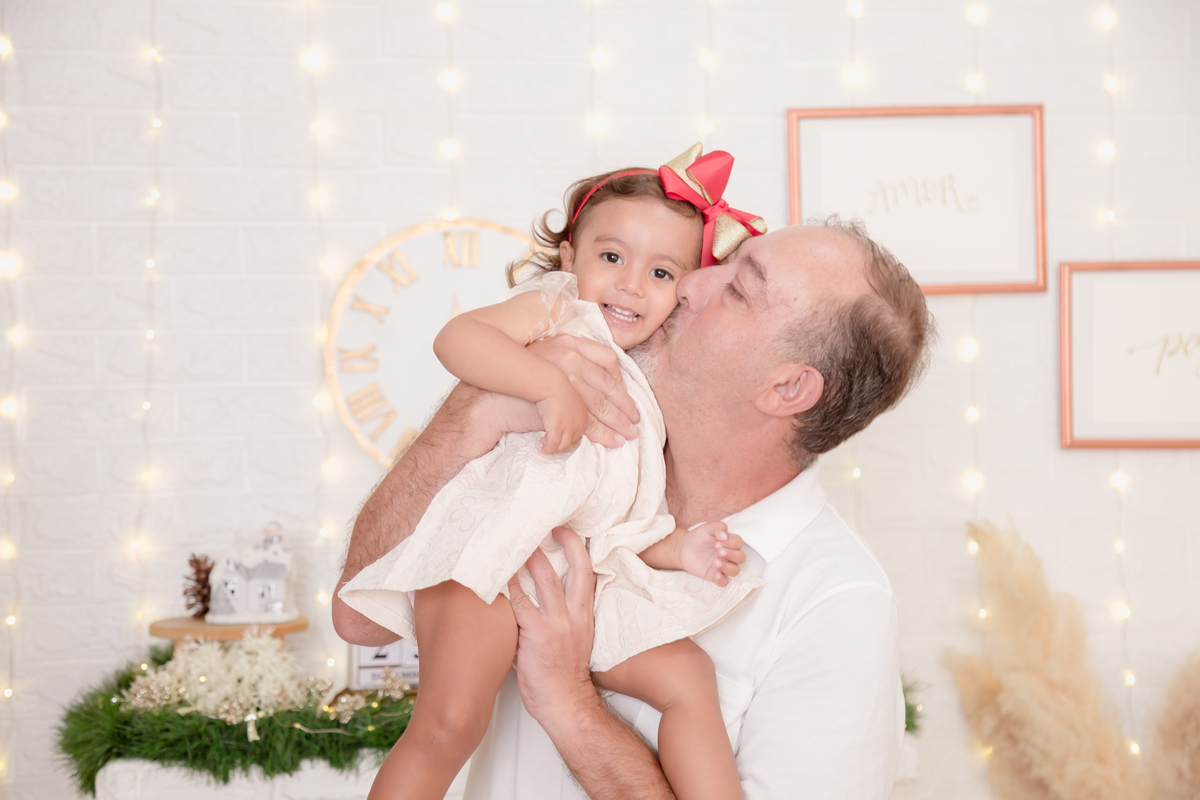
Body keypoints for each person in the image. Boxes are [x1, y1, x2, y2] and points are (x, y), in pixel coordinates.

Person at [334, 214, 935, 799]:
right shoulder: (584, 454)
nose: (690, 283)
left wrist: (570, 702)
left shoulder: (839, 602)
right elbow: (360, 618)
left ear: (788, 388)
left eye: (738, 290)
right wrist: (476, 409)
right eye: (719, 264)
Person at [339, 145, 771, 800]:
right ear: (570, 257)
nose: (631, 284)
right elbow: (457, 339)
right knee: (451, 722)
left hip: (582, 578)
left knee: (690, 679)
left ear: (686, 291)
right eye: (611, 257)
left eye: (661, 272)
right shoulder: (556, 309)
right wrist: (544, 384)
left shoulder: (653, 373)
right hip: (489, 554)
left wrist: (678, 548)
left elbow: (618, 514)